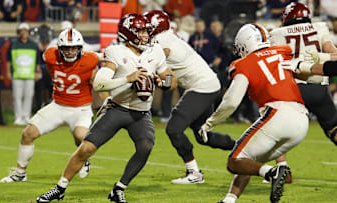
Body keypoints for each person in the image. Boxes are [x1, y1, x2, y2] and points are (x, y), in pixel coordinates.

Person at [36, 13, 177, 203]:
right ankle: (59, 188)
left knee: (145, 146)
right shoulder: (116, 52)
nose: (145, 35)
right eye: (141, 31)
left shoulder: (156, 51)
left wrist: (163, 83)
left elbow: (171, 79)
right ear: (130, 33)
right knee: (86, 149)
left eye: (146, 31)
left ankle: (119, 188)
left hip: (141, 113)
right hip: (117, 108)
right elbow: (99, 84)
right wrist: (128, 78)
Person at [200, 23, 309, 203]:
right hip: (302, 120)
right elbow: (304, 73)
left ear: (245, 43)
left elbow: (231, 102)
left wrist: (210, 123)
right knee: (248, 162)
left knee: (234, 161)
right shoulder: (282, 51)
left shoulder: (243, 63)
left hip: (278, 115)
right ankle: (229, 200)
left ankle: (273, 172)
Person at [0, 28, 107, 183]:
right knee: (27, 134)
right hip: (57, 105)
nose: (70, 52)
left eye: (74, 47)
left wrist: (107, 104)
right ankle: (20, 174)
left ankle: (84, 158)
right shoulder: (50, 56)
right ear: (59, 48)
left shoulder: (90, 60)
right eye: (66, 48)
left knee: (82, 137)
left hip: (81, 109)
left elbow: (99, 83)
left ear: (80, 48)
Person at [144, 10, 235, 184]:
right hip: (207, 84)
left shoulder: (161, 41)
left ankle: (194, 173)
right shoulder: (167, 35)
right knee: (203, 135)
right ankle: (242, 147)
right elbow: (168, 73)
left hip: (202, 86)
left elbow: (164, 66)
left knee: (174, 129)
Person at [269, 2, 337, 180]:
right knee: (333, 127)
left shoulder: (277, 34)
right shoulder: (320, 28)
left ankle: (283, 169)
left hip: (293, 88)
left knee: (276, 128)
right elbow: (333, 53)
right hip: (319, 88)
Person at [6, 22, 41, 125]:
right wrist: (8, 71)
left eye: (26, 30)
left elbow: (37, 61)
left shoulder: (33, 45)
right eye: (22, 31)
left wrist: (37, 72)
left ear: (28, 32)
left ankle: (26, 117)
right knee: (17, 97)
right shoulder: (13, 44)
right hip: (17, 74)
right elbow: (9, 60)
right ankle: (18, 117)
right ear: (19, 32)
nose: (24, 33)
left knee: (29, 96)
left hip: (30, 75)